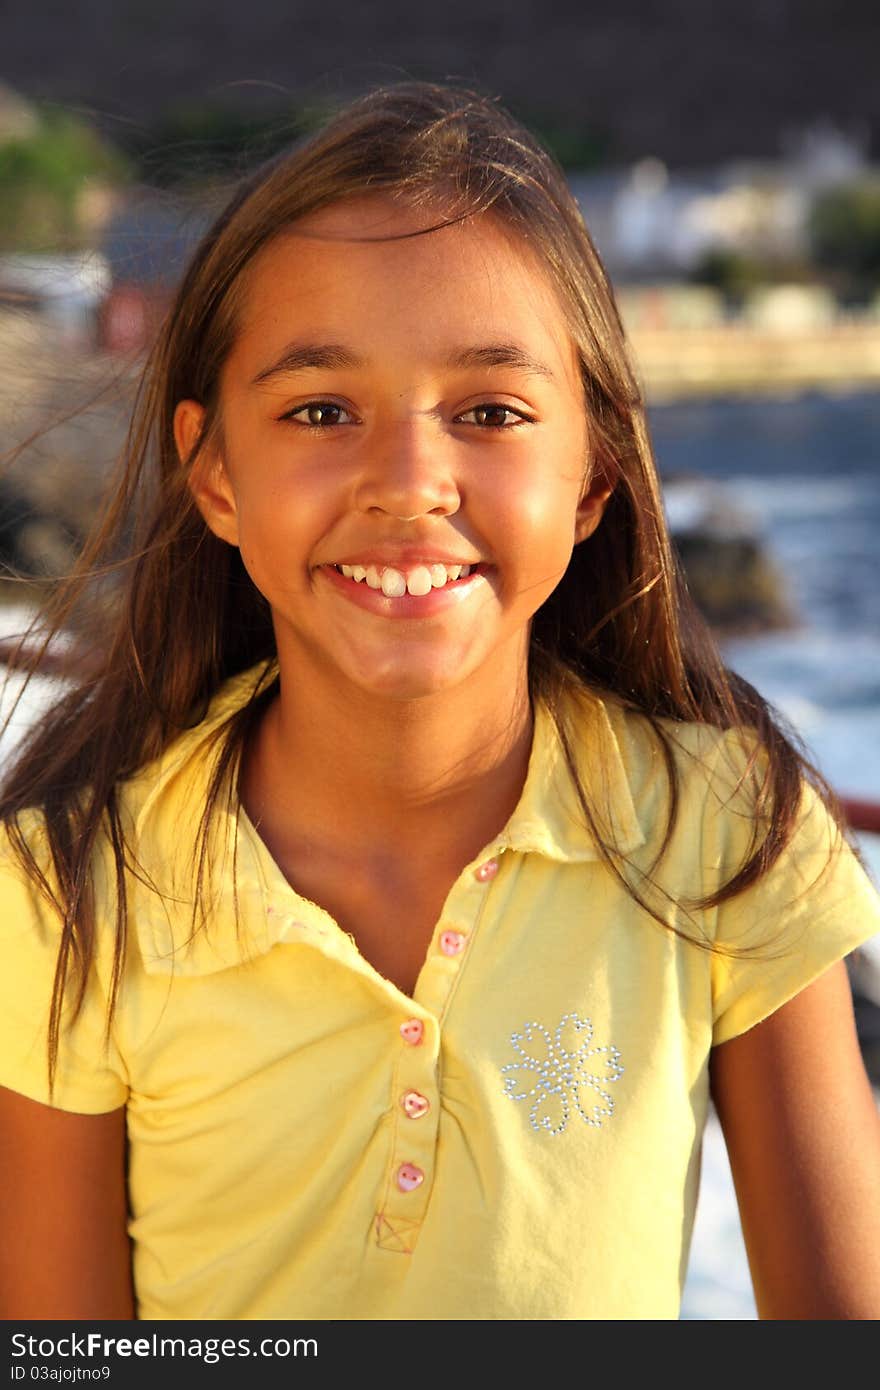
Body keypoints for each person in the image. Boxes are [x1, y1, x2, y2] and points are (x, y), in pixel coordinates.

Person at [1, 82, 879, 1323]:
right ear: (213, 476)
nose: (409, 483)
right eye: (319, 411)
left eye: (489, 413)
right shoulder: (67, 893)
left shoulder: (725, 836)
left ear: (593, 479)